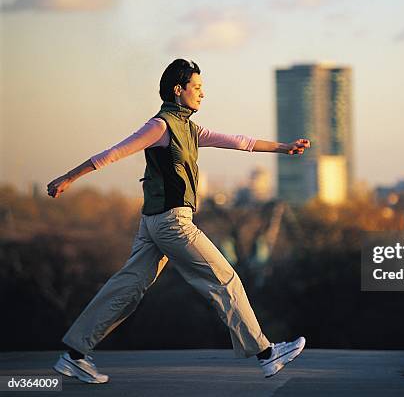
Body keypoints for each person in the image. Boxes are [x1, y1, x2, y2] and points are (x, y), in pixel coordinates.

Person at [47, 59, 309, 383]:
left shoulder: (190, 128)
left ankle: (74, 355)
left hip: (154, 224)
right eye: (197, 87)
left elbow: (240, 141)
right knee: (225, 280)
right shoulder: (159, 126)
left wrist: (284, 148)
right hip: (173, 223)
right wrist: (68, 178)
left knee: (126, 287)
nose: (202, 93)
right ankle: (267, 354)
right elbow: (112, 153)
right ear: (178, 89)